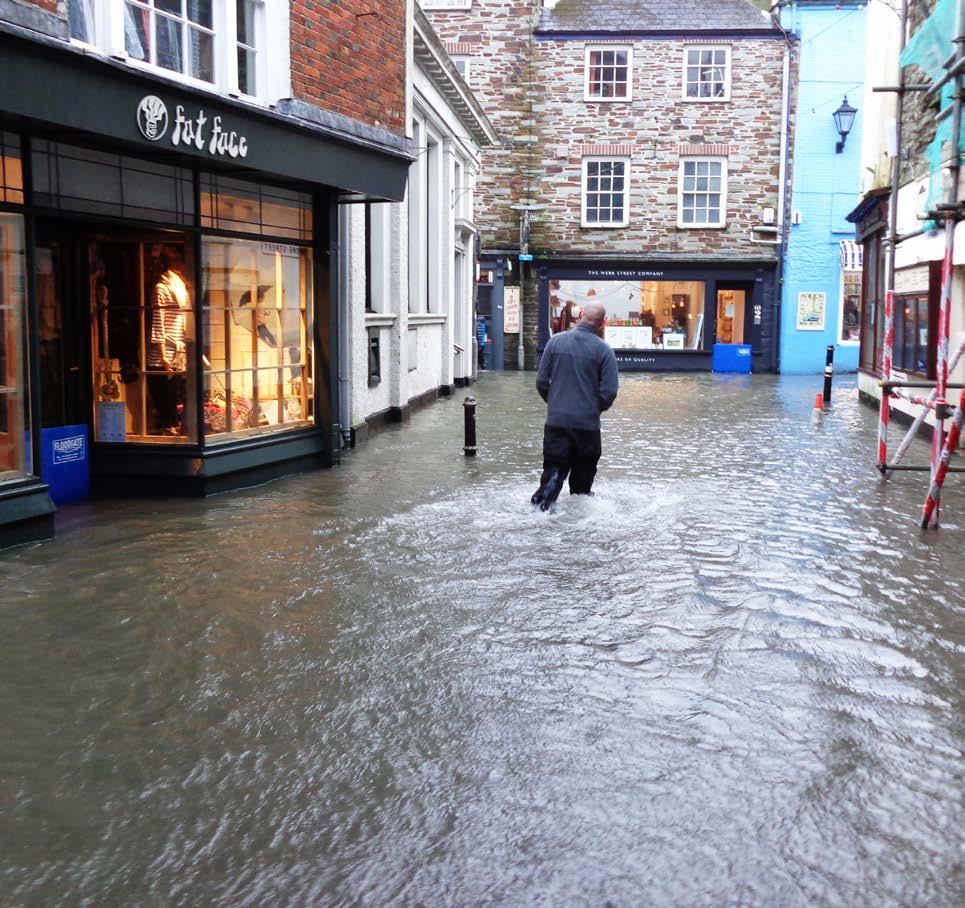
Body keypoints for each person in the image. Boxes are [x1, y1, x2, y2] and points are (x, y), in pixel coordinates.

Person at [531, 300, 619, 511]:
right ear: (603, 323)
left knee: (552, 477)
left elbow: (541, 382)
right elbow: (609, 392)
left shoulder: (555, 343)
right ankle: (578, 539)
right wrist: (591, 410)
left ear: (580, 316)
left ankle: (539, 515)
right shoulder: (605, 351)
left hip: (557, 424)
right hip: (587, 429)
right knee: (581, 492)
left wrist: (555, 404)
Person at [147, 247, 189, 436]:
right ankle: (166, 432)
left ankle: (172, 429)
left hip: (178, 352)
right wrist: (163, 356)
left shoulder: (181, 287)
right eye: (176, 263)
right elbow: (159, 320)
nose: (180, 267)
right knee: (165, 400)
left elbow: (183, 321)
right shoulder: (161, 288)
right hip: (162, 357)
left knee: (174, 399)